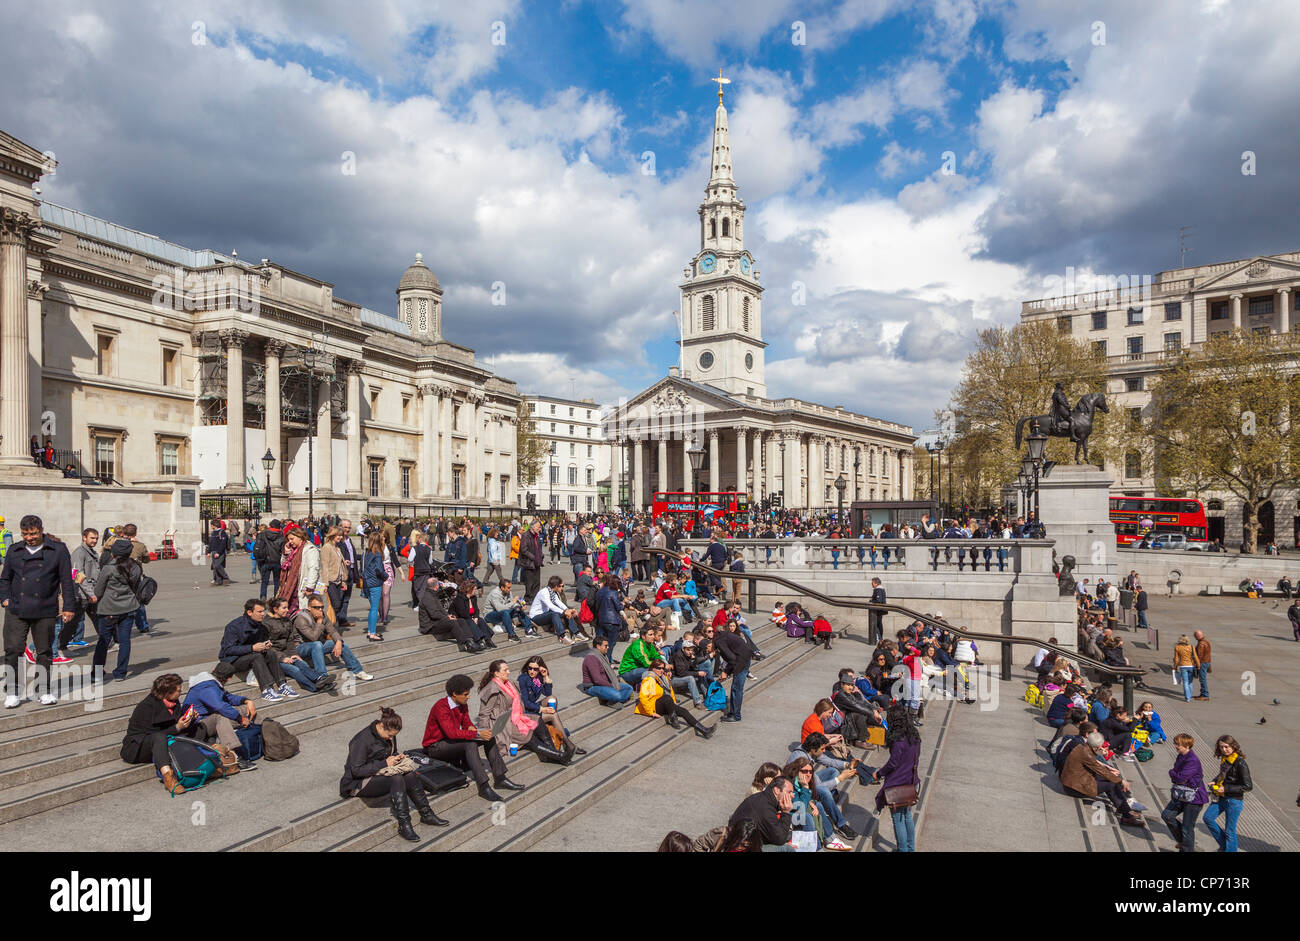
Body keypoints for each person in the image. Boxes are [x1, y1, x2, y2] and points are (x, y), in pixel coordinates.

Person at [1, 515, 75, 706]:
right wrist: (5, 600)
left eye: (33, 534)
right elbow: (5, 578)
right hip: (17, 608)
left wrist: (68, 607)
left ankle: (43, 690)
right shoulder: (14, 549)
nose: (29, 538)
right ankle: (12, 690)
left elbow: (66, 580)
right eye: (25, 534)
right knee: (13, 649)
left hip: (45, 608)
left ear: (41, 530)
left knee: (44, 651)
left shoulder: (58, 550)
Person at [341, 707, 448, 841]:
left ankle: (426, 813)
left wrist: (398, 758)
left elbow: (392, 753)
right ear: (381, 725)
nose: (391, 738)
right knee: (396, 779)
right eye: (390, 735)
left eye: (394, 735)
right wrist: (384, 763)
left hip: (381, 773)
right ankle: (404, 825)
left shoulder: (389, 736)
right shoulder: (362, 740)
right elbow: (356, 770)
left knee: (409, 774)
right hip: (358, 783)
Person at [421, 674, 523, 803]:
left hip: (451, 741)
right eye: (465, 694)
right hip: (435, 746)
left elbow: (466, 724)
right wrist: (475, 735)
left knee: (489, 738)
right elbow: (451, 733)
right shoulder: (441, 707)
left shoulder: (462, 704)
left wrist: (473, 729)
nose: (468, 696)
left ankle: (500, 777)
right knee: (470, 744)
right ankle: (483, 786)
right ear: (454, 694)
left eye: (468, 693)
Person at [122, 673, 229, 792]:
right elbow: (154, 734)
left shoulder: (173, 701)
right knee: (159, 737)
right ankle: (168, 777)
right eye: (178, 690)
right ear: (167, 692)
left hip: (168, 739)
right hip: (139, 746)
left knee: (199, 728)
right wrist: (177, 727)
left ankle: (214, 762)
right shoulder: (146, 707)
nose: (181, 692)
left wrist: (189, 720)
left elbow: (174, 726)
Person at [477, 659, 577, 764]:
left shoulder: (508, 683)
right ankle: (560, 756)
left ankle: (553, 754)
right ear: (496, 673)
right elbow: (484, 714)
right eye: (505, 670)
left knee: (538, 720)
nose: (509, 672)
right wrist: (485, 734)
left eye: (508, 669)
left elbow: (546, 693)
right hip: (502, 724)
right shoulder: (492, 689)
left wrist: (545, 677)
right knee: (526, 736)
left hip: (516, 717)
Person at [1060, 731, 1145, 827]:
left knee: (1112, 779)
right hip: (1074, 788)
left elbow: (1095, 764)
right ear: (1096, 747)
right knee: (1112, 784)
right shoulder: (1086, 754)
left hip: (1072, 782)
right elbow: (1099, 769)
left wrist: (1108, 767)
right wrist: (1121, 780)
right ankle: (1127, 816)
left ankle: (1123, 807)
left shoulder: (1082, 747)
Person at [183, 665, 258, 770]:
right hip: (198, 726)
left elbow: (228, 697)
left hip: (208, 720)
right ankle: (235, 755)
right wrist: (240, 719)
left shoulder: (213, 683)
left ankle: (262, 734)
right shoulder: (206, 687)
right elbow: (220, 706)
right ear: (228, 678)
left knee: (246, 709)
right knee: (219, 716)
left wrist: (246, 700)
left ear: (213, 670)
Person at [218, 598, 294, 702]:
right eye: (260, 611)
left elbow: (259, 643)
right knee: (256, 657)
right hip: (232, 660)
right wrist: (252, 648)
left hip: (249, 655)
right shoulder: (234, 626)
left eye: (263, 611)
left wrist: (264, 645)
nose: (263, 614)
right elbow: (228, 650)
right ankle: (266, 689)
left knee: (270, 653)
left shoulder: (260, 625)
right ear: (249, 612)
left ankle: (282, 685)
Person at [874, 702, 922, 851]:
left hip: (897, 785)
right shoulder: (914, 736)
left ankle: (902, 849)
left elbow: (892, 763)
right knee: (907, 816)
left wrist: (878, 773)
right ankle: (910, 848)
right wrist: (881, 722)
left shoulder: (897, 741)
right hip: (911, 782)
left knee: (897, 819)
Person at [293, 592, 372, 680]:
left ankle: (357, 670)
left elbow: (332, 631)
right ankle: (322, 676)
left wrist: (338, 641)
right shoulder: (301, 619)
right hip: (300, 647)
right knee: (317, 644)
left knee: (341, 644)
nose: (320, 610)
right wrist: (319, 622)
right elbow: (313, 637)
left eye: (322, 607)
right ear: (309, 608)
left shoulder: (322, 615)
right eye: (316, 607)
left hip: (316, 646)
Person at [516, 655, 585, 753]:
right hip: (526, 712)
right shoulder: (523, 679)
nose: (532, 671)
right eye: (529, 668)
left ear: (540, 668)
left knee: (552, 699)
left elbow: (548, 693)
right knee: (554, 715)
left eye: (535, 669)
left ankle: (551, 730)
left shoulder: (538, 678)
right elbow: (525, 702)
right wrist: (542, 709)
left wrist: (546, 677)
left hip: (533, 708)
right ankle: (568, 744)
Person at [264, 596, 335, 692]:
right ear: (275, 609)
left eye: (287, 607)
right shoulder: (266, 624)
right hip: (274, 659)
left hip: (287, 654)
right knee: (295, 670)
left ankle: (320, 679)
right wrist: (282, 658)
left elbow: (290, 641)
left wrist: (295, 654)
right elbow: (267, 647)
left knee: (301, 663)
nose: (287, 610)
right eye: (284, 608)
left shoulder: (287, 621)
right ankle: (315, 688)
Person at [636, 659, 714, 738]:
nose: (661, 670)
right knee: (666, 697)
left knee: (683, 711)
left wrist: (673, 704)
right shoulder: (649, 679)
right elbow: (643, 697)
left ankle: (704, 730)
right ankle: (673, 718)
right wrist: (651, 713)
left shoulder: (663, 678)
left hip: (665, 704)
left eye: (663, 668)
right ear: (653, 668)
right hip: (653, 706)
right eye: (658, 668)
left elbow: (670, 691)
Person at [1160, 733, 1208, 853]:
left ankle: (1186, 848)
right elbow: (1178, 776)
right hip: (1181, 794)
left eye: (1178, 744)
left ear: (1187, 745)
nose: (1176, 746)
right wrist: (1175, 775)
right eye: (1176, 743)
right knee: (1167, 815)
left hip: (1194, 798)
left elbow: (1179, 777)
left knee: (1187, 827)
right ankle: (1184, 842)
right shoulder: (1181, 756)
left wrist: (1172, 773)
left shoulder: (1192, 760)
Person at [1203, 735, 1252, 852]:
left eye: (1227, 747)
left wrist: (1226, 789)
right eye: (1221, 747)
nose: (1224, 750)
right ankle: (1225, 846)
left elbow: (1248, 786)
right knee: (1208, 818)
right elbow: (1224, 775)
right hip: (1221, 797)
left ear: (1233, 746)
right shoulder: (1225, 759)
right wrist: (1215, 781)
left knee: (1230, 830)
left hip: (1233, 800)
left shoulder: (1240, 763)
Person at [728, 777, 794, 850]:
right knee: (787, 848)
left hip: (749, 840)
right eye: (789, 792)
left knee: (789, 836)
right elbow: (780, 839)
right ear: (777, 790)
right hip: (741, 846)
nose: (792, 795)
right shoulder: (765, 808)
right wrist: (786, 812)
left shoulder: (764, 798)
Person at [714, 621, 751, 723]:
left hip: (741, 661)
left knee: (736, 689)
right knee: (736, 688)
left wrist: (726, 672)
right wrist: (727, 671)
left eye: (708, 648)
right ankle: (733, 712)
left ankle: (735, 715)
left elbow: (732, 659)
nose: (709, 651)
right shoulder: (724, 636)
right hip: (744, 658)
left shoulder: (719, 641)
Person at [528, 575, 582, 643]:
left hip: (545, 614)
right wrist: (564, 612)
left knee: (566, 612)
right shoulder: (544, 592)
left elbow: (559, 603)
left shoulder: (552, 593)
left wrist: (567, 610)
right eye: (560, 586)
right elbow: (550, 606)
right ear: (556, 586)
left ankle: (576, 633)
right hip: (536, 617)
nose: (562, 588)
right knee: (555, 614)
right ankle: (562, 636)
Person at [580, 636, 633, 705]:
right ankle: (612, 700)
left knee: (629, 688)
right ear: (598, 646)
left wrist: (613, 684)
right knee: (617, 695)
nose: (608, 647)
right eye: (606, 646)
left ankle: (612, 699)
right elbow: (597, 680)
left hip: (606, 683)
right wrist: (612, 686)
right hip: (593, 687)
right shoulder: (591, 659)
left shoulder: (603, 656)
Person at [450, 579, 498, 650]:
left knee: (480, 620)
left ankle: (488, 640)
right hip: (459, 618)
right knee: (469, 621)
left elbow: (476, 610)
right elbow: (462, 613)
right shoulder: (459, 599)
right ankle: (479, 641)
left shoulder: (473, 598)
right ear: (469, 589)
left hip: (469, 617)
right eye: (474, 589)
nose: (475, 591)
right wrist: (472, 618)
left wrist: (475, 617)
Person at [361, 531, 387, 641]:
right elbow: (379, 570)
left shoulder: (366, 553)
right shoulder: (377, 554)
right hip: (375, 583)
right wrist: (386, 576)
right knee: (374, 609)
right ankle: (372, 633)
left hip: (366, 583)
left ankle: (370, 631)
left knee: (372, 608)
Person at [592, 573, 625, 661]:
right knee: (610, 644)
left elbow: (597, 605)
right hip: (612, 620)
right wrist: (622, 604)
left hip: (601, 620)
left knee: (602, 643)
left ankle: (605, 660)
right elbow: (618, 607)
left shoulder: (600, 591)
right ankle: (607, 661)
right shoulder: (613, 592)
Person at [254, 519, 284, 601]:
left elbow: (258, 547)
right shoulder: (281, 536)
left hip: (265, 560)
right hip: (277, 560)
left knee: (264, 581)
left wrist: (258, 558)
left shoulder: (262, 534)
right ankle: (276, 597)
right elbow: (283, 550)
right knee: (277, 581)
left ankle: (263, 596)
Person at [517, 519, 544, 603]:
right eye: (538, 527)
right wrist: (533, 557)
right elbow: (523, 550)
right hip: (529, 562)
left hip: (537, 562)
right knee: (529, 582)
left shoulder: (537, 536)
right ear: (533, 527)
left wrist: (541, 555)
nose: (539, 529)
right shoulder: (526, 535)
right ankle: (528, 598)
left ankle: (534, 597)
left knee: (537, 582)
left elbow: (539, 548)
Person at [1172, 634, 1199, 703]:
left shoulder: (1177, 647)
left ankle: (1187, 697)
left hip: (1183, 666)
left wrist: (1175, 667)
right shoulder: (1191, 647)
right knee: (1190, 682)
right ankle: (1190, 695)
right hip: (1191, 666)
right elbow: (1195, 657)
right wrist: (1198, 665)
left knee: (1185, 682)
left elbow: (1176, 659)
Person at [209, 521, 232, 587]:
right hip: (213, 551)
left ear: (214, 525)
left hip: (220, 552)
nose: (211, 526)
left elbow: (223, 544)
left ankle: (225, 577)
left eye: (211, 525)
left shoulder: (222, 532)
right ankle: (218, 580)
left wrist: (219, 553)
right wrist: (208, 552)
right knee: (214, 567)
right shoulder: (213, 532)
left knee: (217, 565)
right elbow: (211, 543)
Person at [1193, 630, 1211, 700]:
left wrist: (1196, 663)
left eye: (1195, 636)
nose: (1195, 637)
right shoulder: (1207, 642)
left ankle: (1205, 695)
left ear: (1197, 636)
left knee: (1202, 679)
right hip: (1207, 662)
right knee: (1203, 679)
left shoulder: (1201, 644)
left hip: (1202, 663)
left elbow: (1199, 656)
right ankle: (1203, 693)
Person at [869, 577, 886, 644]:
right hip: (880, 610)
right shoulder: (881, 589)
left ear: (876, 583)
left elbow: (879, 600)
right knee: (879, 624)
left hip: (877, 610)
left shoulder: (878, 589)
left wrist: (871, 601)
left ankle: (879, 638)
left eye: (872, 583)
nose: (872, 584)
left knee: (876, 624)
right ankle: (880, 638)